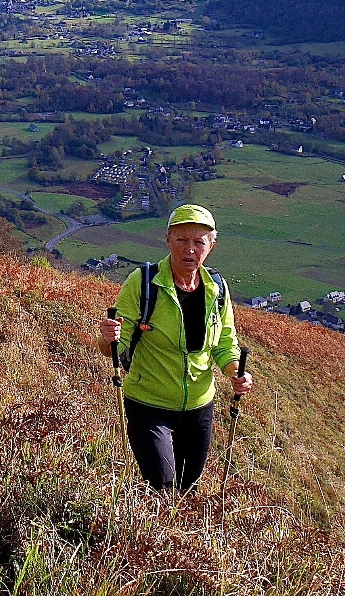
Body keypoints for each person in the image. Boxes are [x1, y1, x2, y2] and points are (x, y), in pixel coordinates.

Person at [97, 203, 253, 492]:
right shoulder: (144, 283)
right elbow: (115, 349)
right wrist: (108, 339)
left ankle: (174, 534)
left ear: (212, 245)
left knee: (189, 486)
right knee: (162, 484)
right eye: (181, 240)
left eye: (199, 242)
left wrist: (236, 372)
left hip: (199, 407)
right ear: (167, 240)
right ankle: (149, 535)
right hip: (148, 405)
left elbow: (224, 342)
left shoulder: (216, 288)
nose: (189, 249)